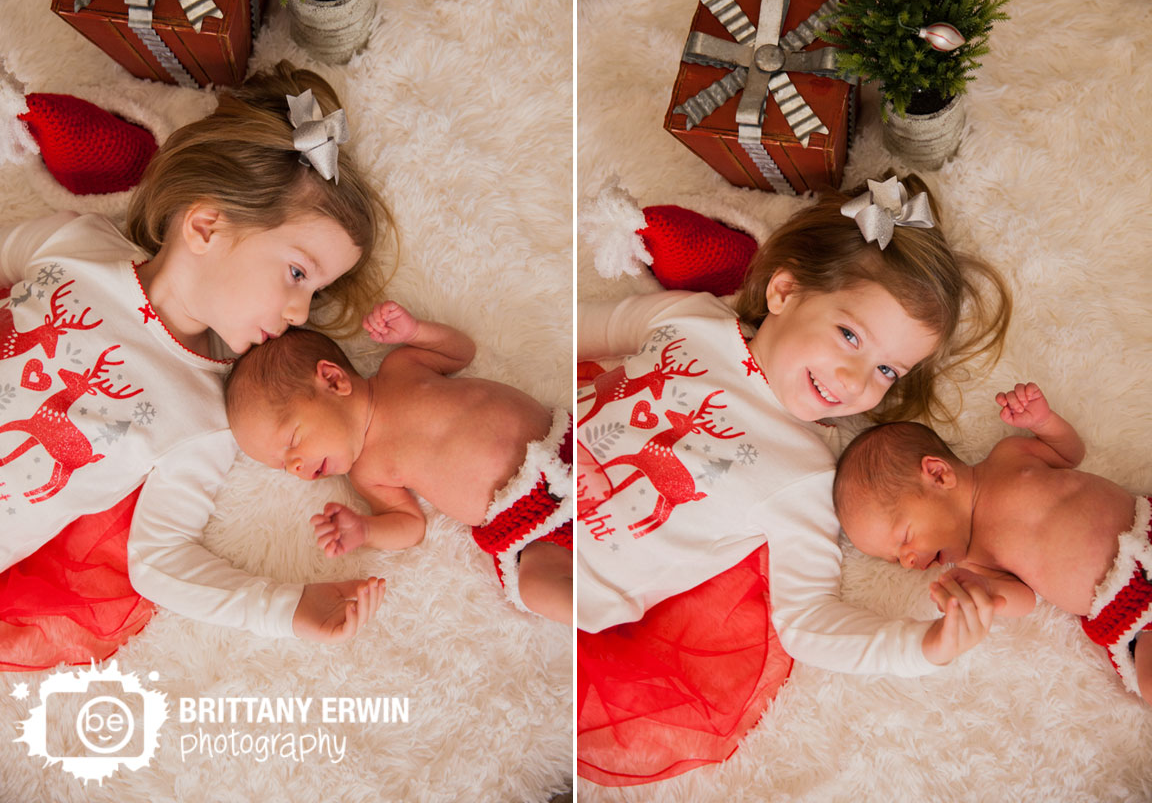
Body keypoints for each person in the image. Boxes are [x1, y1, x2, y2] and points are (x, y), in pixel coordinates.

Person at [575, 175, 1012, 785]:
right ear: (784, 290)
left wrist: (921, 648)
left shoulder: (808, 477)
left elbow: (808, 622)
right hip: (531, 474)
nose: (857, 379)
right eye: (850, 336)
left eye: (886, 368)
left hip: (578, 580)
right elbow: (571, 330)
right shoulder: (691, 317)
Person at [0, 61, 389, 670]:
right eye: (296, 273)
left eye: (313, 293)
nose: (298, 312)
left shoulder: (207, 412)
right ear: (206, 226)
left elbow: (159, 560)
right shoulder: (74, 243)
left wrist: (285, 609)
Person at [224, 301, 572, 624]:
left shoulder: (401, 368)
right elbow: (410, 525)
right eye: (283, 466)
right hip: (527, 524)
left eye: (292, 443)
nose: (295, 468)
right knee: (536, 589)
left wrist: (415, 332)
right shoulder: (366, 473)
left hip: (564, 450)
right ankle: (610, 613)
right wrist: (365, 530)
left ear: (333, 380)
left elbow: (461, 352)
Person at [833, 381, 1152, 705]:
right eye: (895, 560)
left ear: (938, 474)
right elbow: (1025, 599)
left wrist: (1043, 422)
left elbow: (1069, 453)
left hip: (1146, 528)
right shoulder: (976, 562)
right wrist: (981, 593)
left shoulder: (1009, 457)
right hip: (1128, 607)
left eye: (904, 539)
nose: (908, 561)